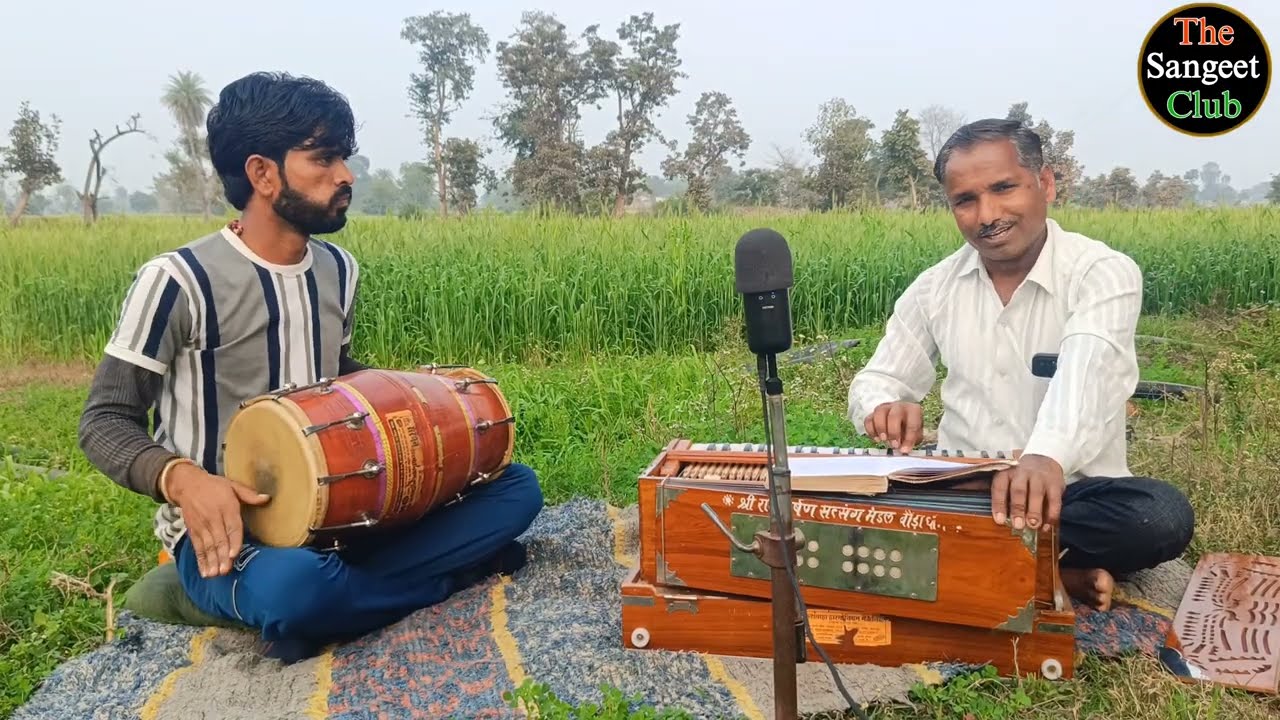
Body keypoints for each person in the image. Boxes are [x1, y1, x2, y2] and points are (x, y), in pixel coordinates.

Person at [77, 71, 544, 662]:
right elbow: (104, 420)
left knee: (517, 490)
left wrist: (427, 407)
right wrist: (184, 480)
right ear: (262, 173)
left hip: (347, 514)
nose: (345, 175)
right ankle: (434, 581)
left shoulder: (338, 270)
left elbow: (340, 377)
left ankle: (338, 605)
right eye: (322, 159)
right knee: (294, 586)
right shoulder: (178, 281)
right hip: (233, 538)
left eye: (343, 158)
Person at [846, 118, 1194, 612]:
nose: (987, 215)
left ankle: (967, 562)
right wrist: (883, 406)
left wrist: (1044, 457)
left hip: (1068, 499)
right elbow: (879, 378)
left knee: (1160, 516)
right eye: (965, 200)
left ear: (1045, 183)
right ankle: (1040, 571)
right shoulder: (933, 288)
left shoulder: (1101, 272)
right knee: (834, 497)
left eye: (1004, 188)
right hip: (961, 490)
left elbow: (1087, 372)